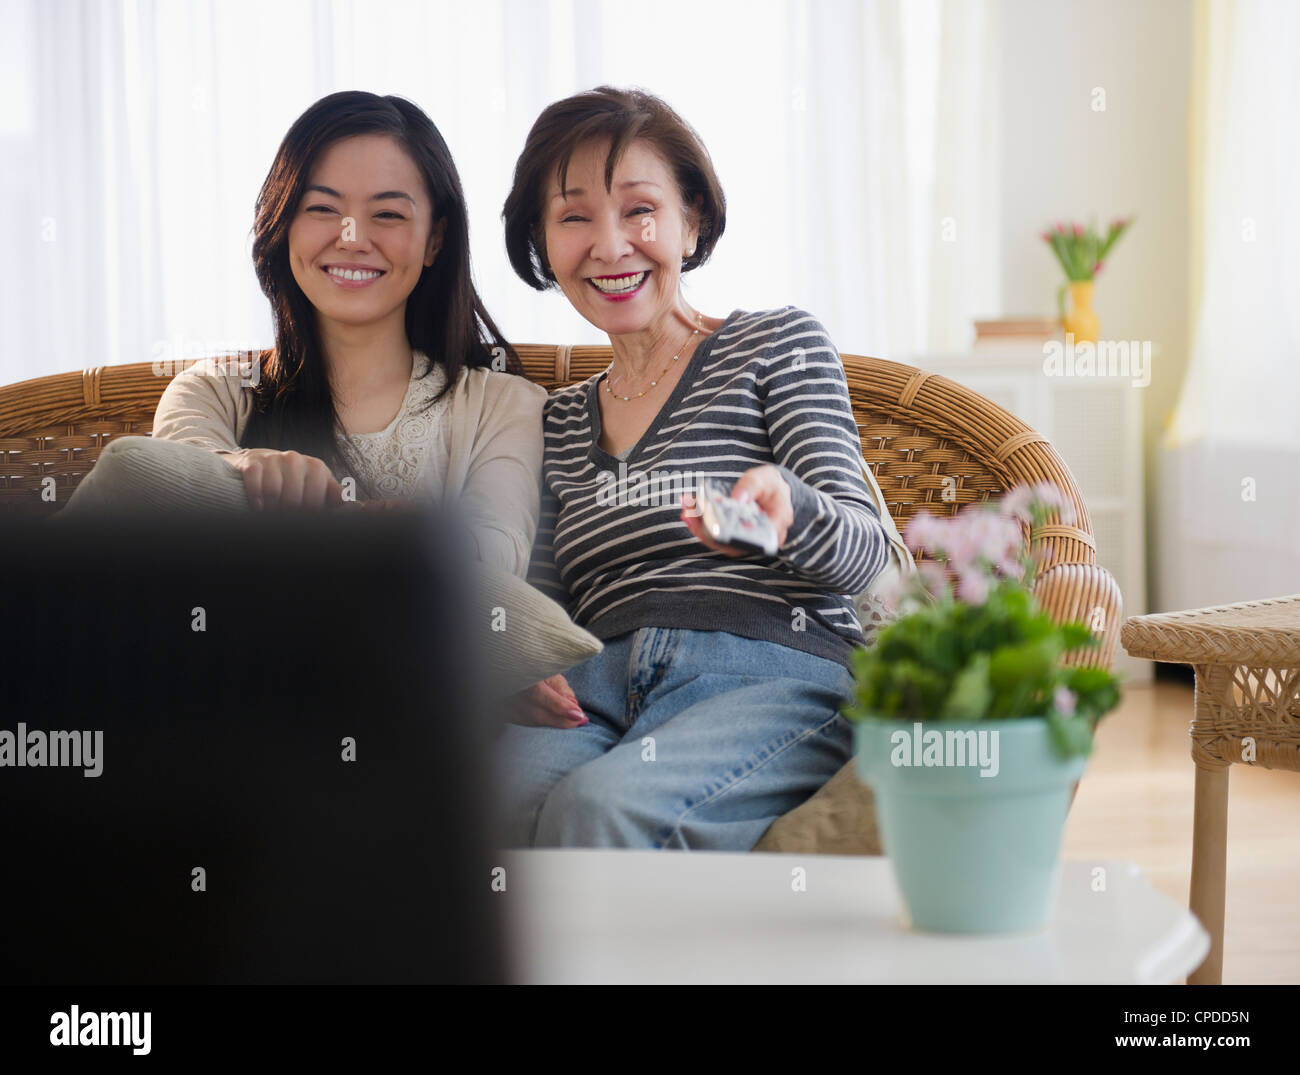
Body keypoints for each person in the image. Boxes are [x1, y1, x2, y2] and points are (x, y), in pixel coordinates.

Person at [495, 86, 893, 849]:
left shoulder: (777, 345)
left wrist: (791, 510)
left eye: (639, 210)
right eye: (574, 216)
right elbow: (547, 603)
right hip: (597, 682)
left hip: (765, 669)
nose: (609, 245)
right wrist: (516, 662)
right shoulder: (558, 420)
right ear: (545, 244)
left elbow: (867, 552)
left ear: (691, 221)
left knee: (600, 812)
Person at [59, 90, 546, 578]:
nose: (351, 238)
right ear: (284, 224)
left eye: (388, 214)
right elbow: (166, 492)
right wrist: (244, 469)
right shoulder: (212, 393)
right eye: (322, 209)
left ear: (434, 240)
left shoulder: (502, 404)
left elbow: (498, 558)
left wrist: (408, 538)